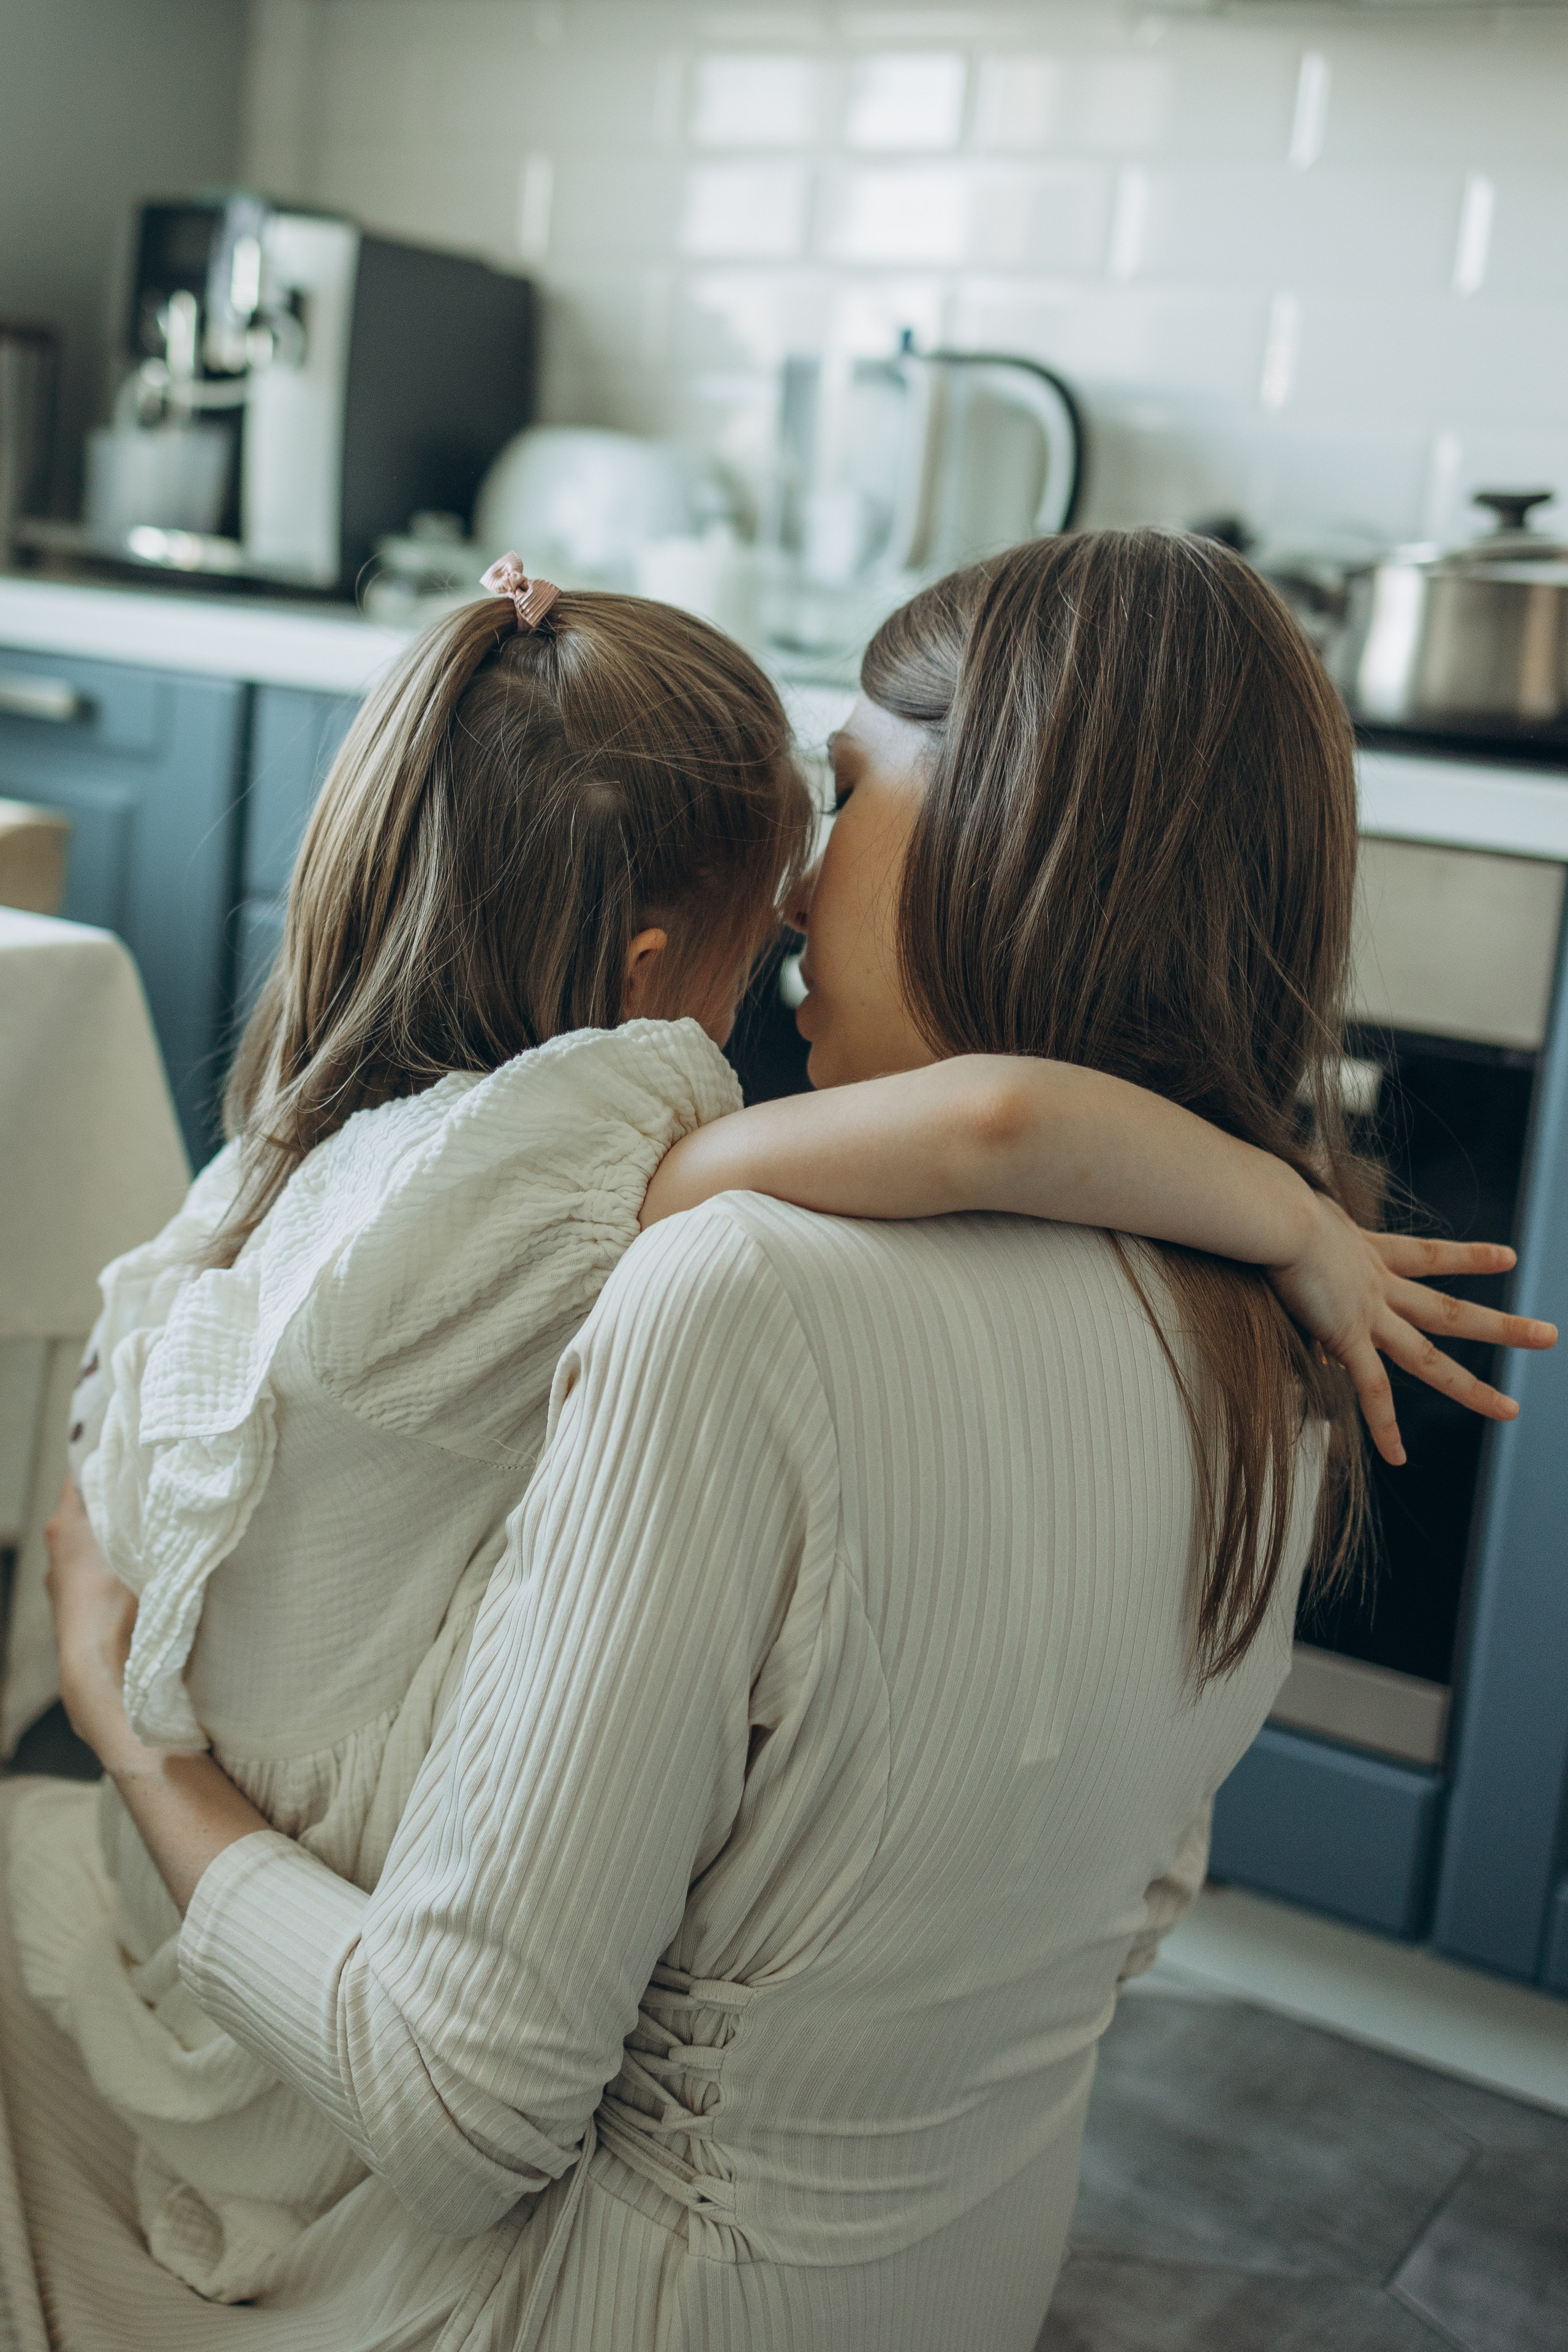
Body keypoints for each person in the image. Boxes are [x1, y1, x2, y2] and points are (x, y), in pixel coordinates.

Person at [17, 531, 1555, 2352]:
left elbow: (458, 2107)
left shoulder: (730, 1289)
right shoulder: (1281, 1339)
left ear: (999, 824)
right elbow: (1135, 1905)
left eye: (842, 796)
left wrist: (134, 1746)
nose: (804, 896)